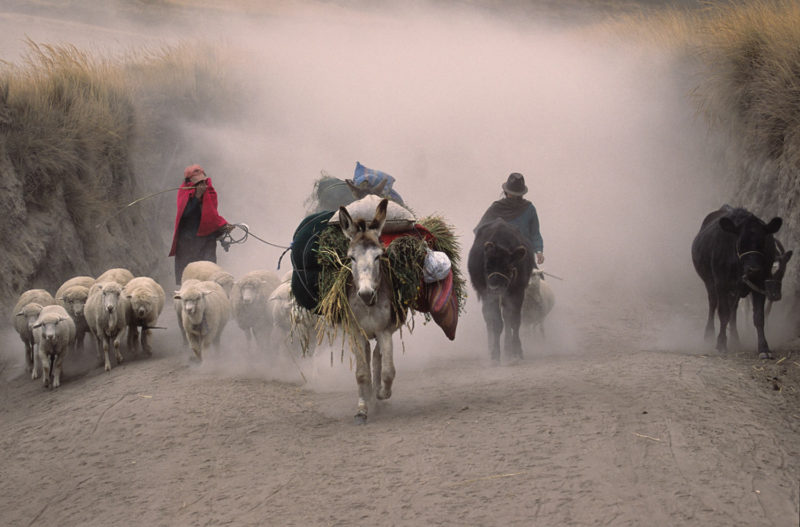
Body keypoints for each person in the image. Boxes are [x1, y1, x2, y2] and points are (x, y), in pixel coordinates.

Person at [169, 164, 234, 284]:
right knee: (190, 276)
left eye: (202, 181)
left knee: (209, 272)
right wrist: (197, 196)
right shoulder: (184, 192)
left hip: (207, 240)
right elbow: (185, 214)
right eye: (198, 182)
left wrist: (223, 226)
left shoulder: (210, 192)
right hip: (188, 242)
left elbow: (212, 216)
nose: (202, 185)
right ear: (189, 182)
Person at [475, 172, 545, 265]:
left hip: (523, 256)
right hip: (500, 257)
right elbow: (480, 230)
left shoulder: (529, 209)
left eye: (516, 194)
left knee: (533, 273)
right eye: (512, 193)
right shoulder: (496, 208)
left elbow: (535, 233)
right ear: (506, 192)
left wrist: (539, 252)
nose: (513, 196)